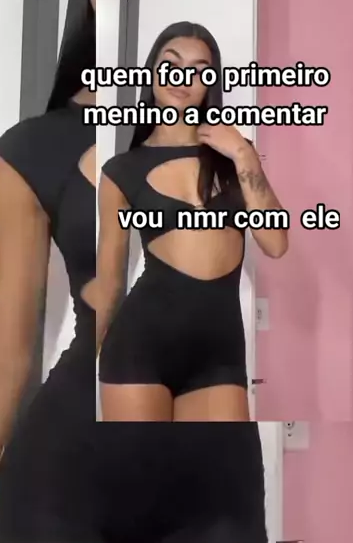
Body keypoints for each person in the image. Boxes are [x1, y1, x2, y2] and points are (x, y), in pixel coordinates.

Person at [0, 0, 273, 543]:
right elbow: (4, 357)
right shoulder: (30, 148)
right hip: (65, 480)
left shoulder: (243, 138)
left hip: (212, 487)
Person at [97, 21, 289, 422]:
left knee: (218, 464)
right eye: (171, 64)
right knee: (141, 465)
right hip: (139, 349)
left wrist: (243, 154)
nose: (183, 78)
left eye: (200, 70)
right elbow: (110, 281)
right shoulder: (121, 171)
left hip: (219, 355)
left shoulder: (235, 156)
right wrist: (83, 363)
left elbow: (276, 242)